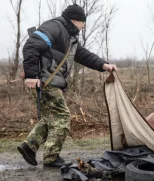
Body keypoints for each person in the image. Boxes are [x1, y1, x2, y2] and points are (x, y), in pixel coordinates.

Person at [17, 4, 117, 168]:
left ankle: (29, 146)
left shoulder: (70, 37)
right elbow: (31, 46)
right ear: (75, 20)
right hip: (45, 80)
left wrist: (103, 65)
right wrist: (31, 76)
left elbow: (83, 55)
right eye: (83, 23)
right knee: (62, 117)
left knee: (52, 117)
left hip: (50, 80)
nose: (83, 26)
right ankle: (50, 157)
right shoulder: (55, 26)